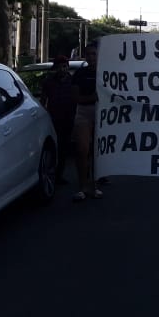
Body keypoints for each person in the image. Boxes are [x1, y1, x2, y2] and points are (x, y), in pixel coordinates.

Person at [71, 42, 102, 201]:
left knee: (98, 152)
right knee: (82, 150)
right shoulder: (79, 74)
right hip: (84, 113)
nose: (91, 57)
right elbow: (76, 98)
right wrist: (93, 97)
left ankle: (95, 186)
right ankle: (83, 187)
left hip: (103, 114)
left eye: (94, 54)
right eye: (88, 54)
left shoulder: (106, 72)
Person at [39, 56, 76, 185]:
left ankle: (59, 175)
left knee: (64, 148)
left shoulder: (72, 81)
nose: (62, 69)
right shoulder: (48, 82)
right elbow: (43, 100)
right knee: (53, 147)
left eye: (64, 66)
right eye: (59, 67)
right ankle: (51, 173)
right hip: (53, 119)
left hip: (69, 119)